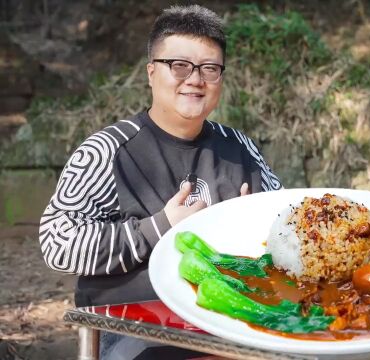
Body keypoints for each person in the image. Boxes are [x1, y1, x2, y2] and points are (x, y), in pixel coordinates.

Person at [38, 5, 281, 359]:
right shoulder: (108, 151)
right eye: (179, 66)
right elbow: (58, 244)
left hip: (234, 324)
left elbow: (288, 230)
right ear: (152, 72)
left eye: (209, 68)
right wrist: (161, 226)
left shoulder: (239, 148)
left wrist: (254, 226)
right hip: (139, 330)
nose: (195, 79)